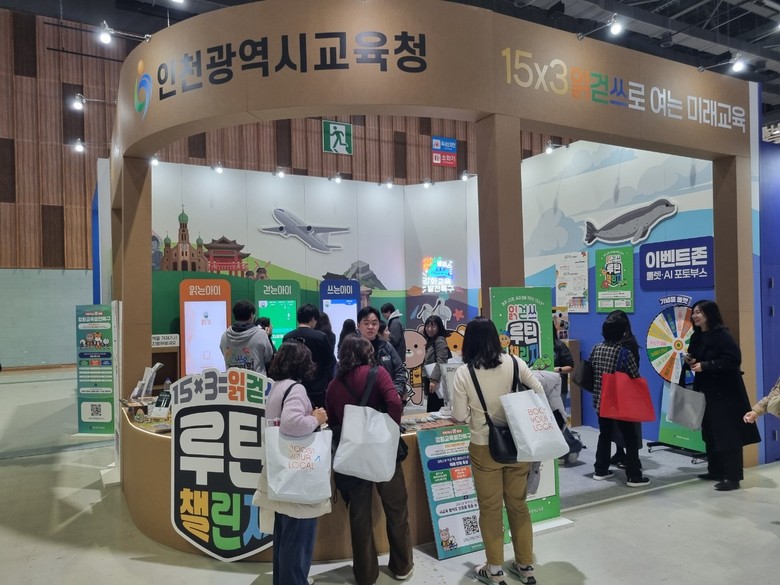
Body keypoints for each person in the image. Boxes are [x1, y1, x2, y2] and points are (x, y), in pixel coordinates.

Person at [451, 317, 544, 585]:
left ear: (469, 342)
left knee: (490, 509)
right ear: (494, 337)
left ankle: (494, 570)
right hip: (518, 444)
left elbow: (459, 415)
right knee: (518, 505)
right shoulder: (515, 363)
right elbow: (538, 391)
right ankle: (525, 566)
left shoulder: (464, 373)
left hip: (483, 447)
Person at [325, 335, 414, 585]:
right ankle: (402, 566)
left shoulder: (334, 385)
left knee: (359, 515)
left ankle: (365, 575)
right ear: (367, 354)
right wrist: (389, 430)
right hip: (383, 451)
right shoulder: (378, 374)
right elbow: (394, 403)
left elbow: (333, 420)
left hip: (352, 456)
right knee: (396, 509)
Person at [252, 341, 329, 585]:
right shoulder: (296, 389)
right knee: (298, 542)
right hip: (298, 477)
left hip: (282, 473)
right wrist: (316, 418)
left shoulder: (277, 387)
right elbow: (291, 423)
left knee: (285, 539)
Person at [685, 300, 761, 491]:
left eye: (699, 312)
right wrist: (691, 361)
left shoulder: (722, 335)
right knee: (710, 431)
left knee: (728, 434)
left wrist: (706, 365)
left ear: (710, 314)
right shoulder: (696, 336)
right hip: (706, 390)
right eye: (694, 312)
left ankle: (733, 477)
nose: (695, 315)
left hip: (726, 392)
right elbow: (696, 357)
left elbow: (733, 360)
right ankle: (715, 470)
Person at [589, 311, 650, 487]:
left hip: (600, 401)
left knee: (604, 435)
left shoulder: (596, 348)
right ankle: (634, 476)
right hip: (620, 403)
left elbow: (591, 370)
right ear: (623, 333)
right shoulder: (623, 352)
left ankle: (600, 470)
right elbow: (635, 375)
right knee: (630, 437)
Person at [282, 304, 336, 408]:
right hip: (317, 387)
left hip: (292, 386)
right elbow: (330, 362)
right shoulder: (321, 337)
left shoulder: (287, 337)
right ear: (312, 319)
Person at [357, 306, 408, 401]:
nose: (370, 327)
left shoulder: (387, 347)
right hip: (361, 401)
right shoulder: (353, 349)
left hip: (386, 400)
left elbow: (400, 370)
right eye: (366, 323)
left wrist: (397, 391)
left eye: (374, 323)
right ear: (358, 325)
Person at [219, 299, 273, 375]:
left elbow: (224, 353)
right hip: (256, 381)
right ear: (251, 315)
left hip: (233, 380)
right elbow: (268, 356)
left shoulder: (225, 336)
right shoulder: (260, 334)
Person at [422, 315, 451, 412]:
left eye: (433, 326)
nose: (429, 329)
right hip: (434, 381)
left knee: (435, 411)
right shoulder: (432, 340)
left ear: (439, 327)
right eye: (427, 326)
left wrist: (434, 380)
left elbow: (441, 361)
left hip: (437, 382)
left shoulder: (439, 340)